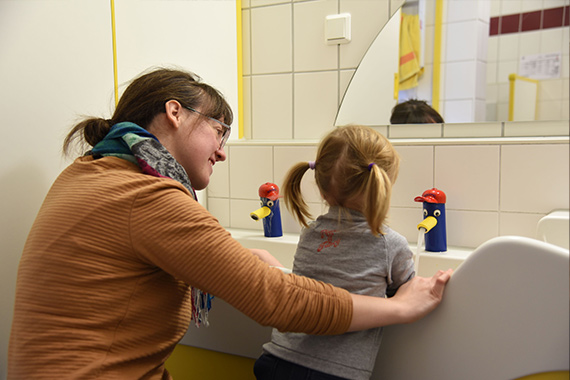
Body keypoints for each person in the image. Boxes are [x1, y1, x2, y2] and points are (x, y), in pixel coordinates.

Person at [8, 67, 452, 379]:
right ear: (175, 112)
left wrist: (240, 259)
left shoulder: (94, 173)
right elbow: (277, 301)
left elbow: (181, 248)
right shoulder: (145, 196)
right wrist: (398, 307)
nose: (222, 151)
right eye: (219, 130)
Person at [254, 125, 424, 380]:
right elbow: (408, 291)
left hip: (277, 359)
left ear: (321, 188)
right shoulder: (390, 244)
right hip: (334, 373)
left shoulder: (310, 233)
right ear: (383, 186)